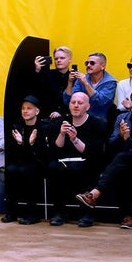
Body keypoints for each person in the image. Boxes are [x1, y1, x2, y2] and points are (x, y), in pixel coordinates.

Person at [76, 88, 132, 229]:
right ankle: (127, 217)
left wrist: (129, 140)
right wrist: (121, 137)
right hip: (124, 164)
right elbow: (111, 144)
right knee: (123, 169)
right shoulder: (122, 118)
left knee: (123, 159)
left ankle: (95, 193)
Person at [45, 92, 106, 227]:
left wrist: (74, 139)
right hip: (64, 160)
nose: (76, 106)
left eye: (80, 103)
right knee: (53, 167)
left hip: (87, 160)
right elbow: (56, 150)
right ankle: (60, 212)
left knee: (79, 168)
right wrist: (61, 134)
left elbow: (92, 152)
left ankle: (87, 213)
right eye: (73, 103)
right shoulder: (61, 122)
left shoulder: (97, 123)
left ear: (87, 107)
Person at [3, 96, 51, 225]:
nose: (25, 111)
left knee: (28, 170)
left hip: (40, 162)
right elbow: (13, 152)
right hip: (22, 161)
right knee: (10, 170)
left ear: (37, 111)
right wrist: (22, 143)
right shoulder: (17, 126)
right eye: (23, 108)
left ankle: (32, 212)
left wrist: (30, 143)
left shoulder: (44, 126)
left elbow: (44, 153)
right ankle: (12, 211)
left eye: (29, 108)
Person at [64, 52, 117, 123]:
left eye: (92, 63)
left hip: (100, 119)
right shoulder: (81, 79)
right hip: (80, 118)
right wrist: (70, 82)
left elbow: (101, 101)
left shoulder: (110, 82)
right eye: (87, 63)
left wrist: (86, 84)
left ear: (102, 66)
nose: (88, 65)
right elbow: (68, 100)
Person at [32, 46, 73, 119]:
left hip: (68, 117)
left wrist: (61, 112)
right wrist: (37, 71)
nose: (58, 60)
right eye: (56, 58)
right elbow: (36, 91)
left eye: (62, 58)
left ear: (70, 59)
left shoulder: (75, 77)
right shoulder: (47, 75)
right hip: (47, 117)